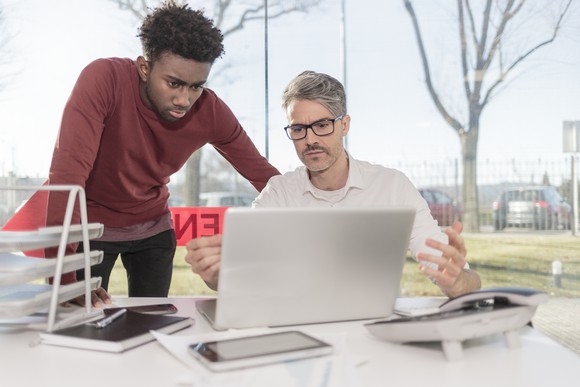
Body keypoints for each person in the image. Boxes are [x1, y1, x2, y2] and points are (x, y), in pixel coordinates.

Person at [45, 1, 279, 306]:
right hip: (92, 227)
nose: (185, 99)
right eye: (174, 83)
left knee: (153, 322)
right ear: (144, 67)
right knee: (83, 322)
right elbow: (66, 178)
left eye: (196, 86)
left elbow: (263, 175)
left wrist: (314, 226)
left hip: (153, 227)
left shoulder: (209, 111)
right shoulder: (103, 79)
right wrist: (62, 285)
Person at [185, 70, 481, 298]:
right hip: (295, 329)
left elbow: (466, 282)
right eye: (299, 129)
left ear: (344, 125)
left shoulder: (391, 187)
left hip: (374, 332)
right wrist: (215, 274)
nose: (310, 139)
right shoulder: (278, 193)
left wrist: (456, 281)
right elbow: (238, 276)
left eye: (323, 125)